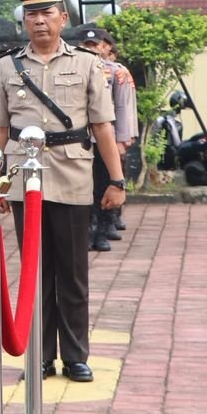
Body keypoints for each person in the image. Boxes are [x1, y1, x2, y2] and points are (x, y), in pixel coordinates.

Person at [0, 0, 123, 383]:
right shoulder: (6, 66)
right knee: (34, 273)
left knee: (73, 273)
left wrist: (116, 180)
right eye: (31, 14)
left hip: (71, 175)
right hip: (22, 176)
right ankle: (41, 356)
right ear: (23, 20)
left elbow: (102, 126)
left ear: (63, 18)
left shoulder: (86, 63)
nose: (39, 20)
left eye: (47, 12)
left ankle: (76, 356)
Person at [76, 25, 135, 252]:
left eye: (95, 44)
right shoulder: (73, 69)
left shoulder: (115, 72)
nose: (91, 48)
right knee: (84, 187)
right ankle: (87, 230)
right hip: (81, 137)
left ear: (105, 47)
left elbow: (122, 107)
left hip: (106, 137)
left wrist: (121, 139)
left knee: (105, 184)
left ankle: (103, 229)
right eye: (86, 45)